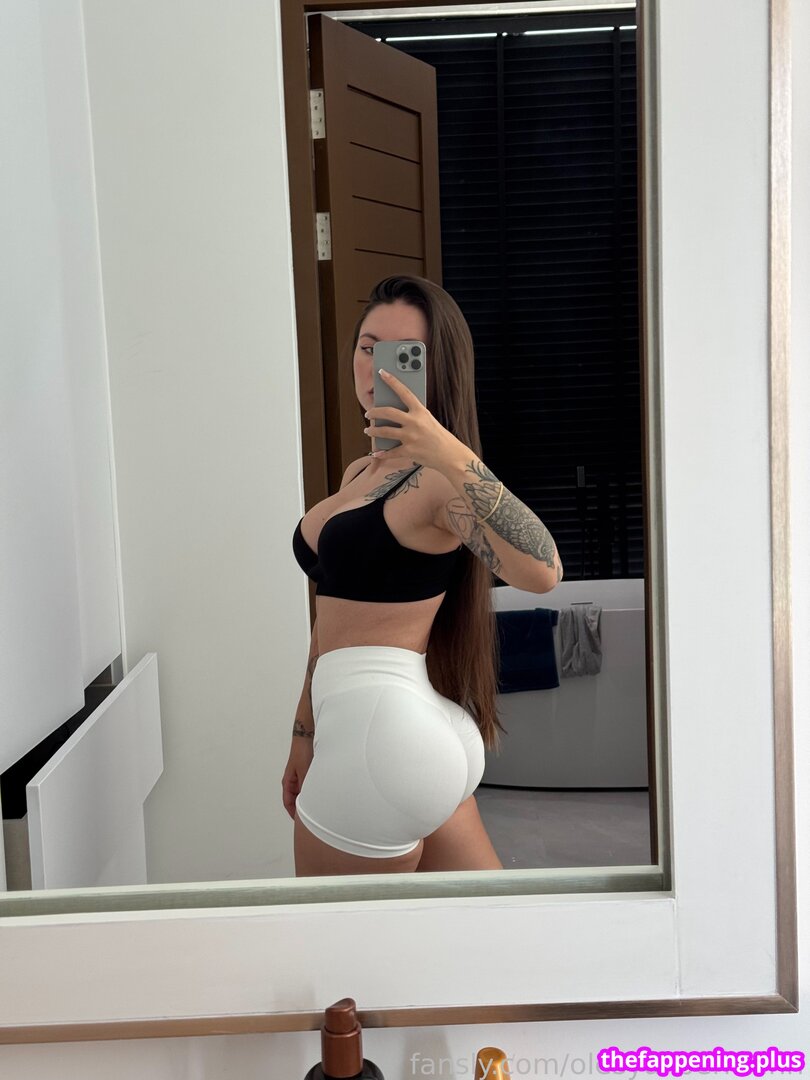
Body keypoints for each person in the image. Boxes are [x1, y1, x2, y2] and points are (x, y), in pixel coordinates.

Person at [283, 275, 563, 877]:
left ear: (438, 369)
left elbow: (543, 570)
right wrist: (304, 733)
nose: (377, 368)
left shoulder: (438, 481)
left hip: (379, 738)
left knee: (341, 938)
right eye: (368, 347)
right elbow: (330, 618)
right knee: (490, 928)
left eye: (403, 353)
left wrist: (445, 449)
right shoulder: (362, 472)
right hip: (394, 733)